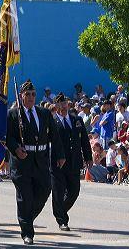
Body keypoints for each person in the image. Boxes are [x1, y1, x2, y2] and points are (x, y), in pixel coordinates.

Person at [6, 79, 65, 245]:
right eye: (28, 94)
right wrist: (16, 148)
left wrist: (60, 155)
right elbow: (7, 137)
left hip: (41, 160)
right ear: (21, 96)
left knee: (45, 190)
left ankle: (27, 219)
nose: (31, 97)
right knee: (25, 197)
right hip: (22, 162)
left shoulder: (44, 113)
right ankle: (27, 232)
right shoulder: (13, 114)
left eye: (33, 94)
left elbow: (55, 135)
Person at [52, 93, 92, 231]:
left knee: (74, 191)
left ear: (68, 105)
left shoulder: (77, 120)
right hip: (58, 163)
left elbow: (84, 141)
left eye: (65, 104)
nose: (63, 106)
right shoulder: (52, 121)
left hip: (74, 162)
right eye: (60, 104)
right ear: (56, 106)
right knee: (59, 191)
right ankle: (62, 219)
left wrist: (88, 157)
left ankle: (60, 210)